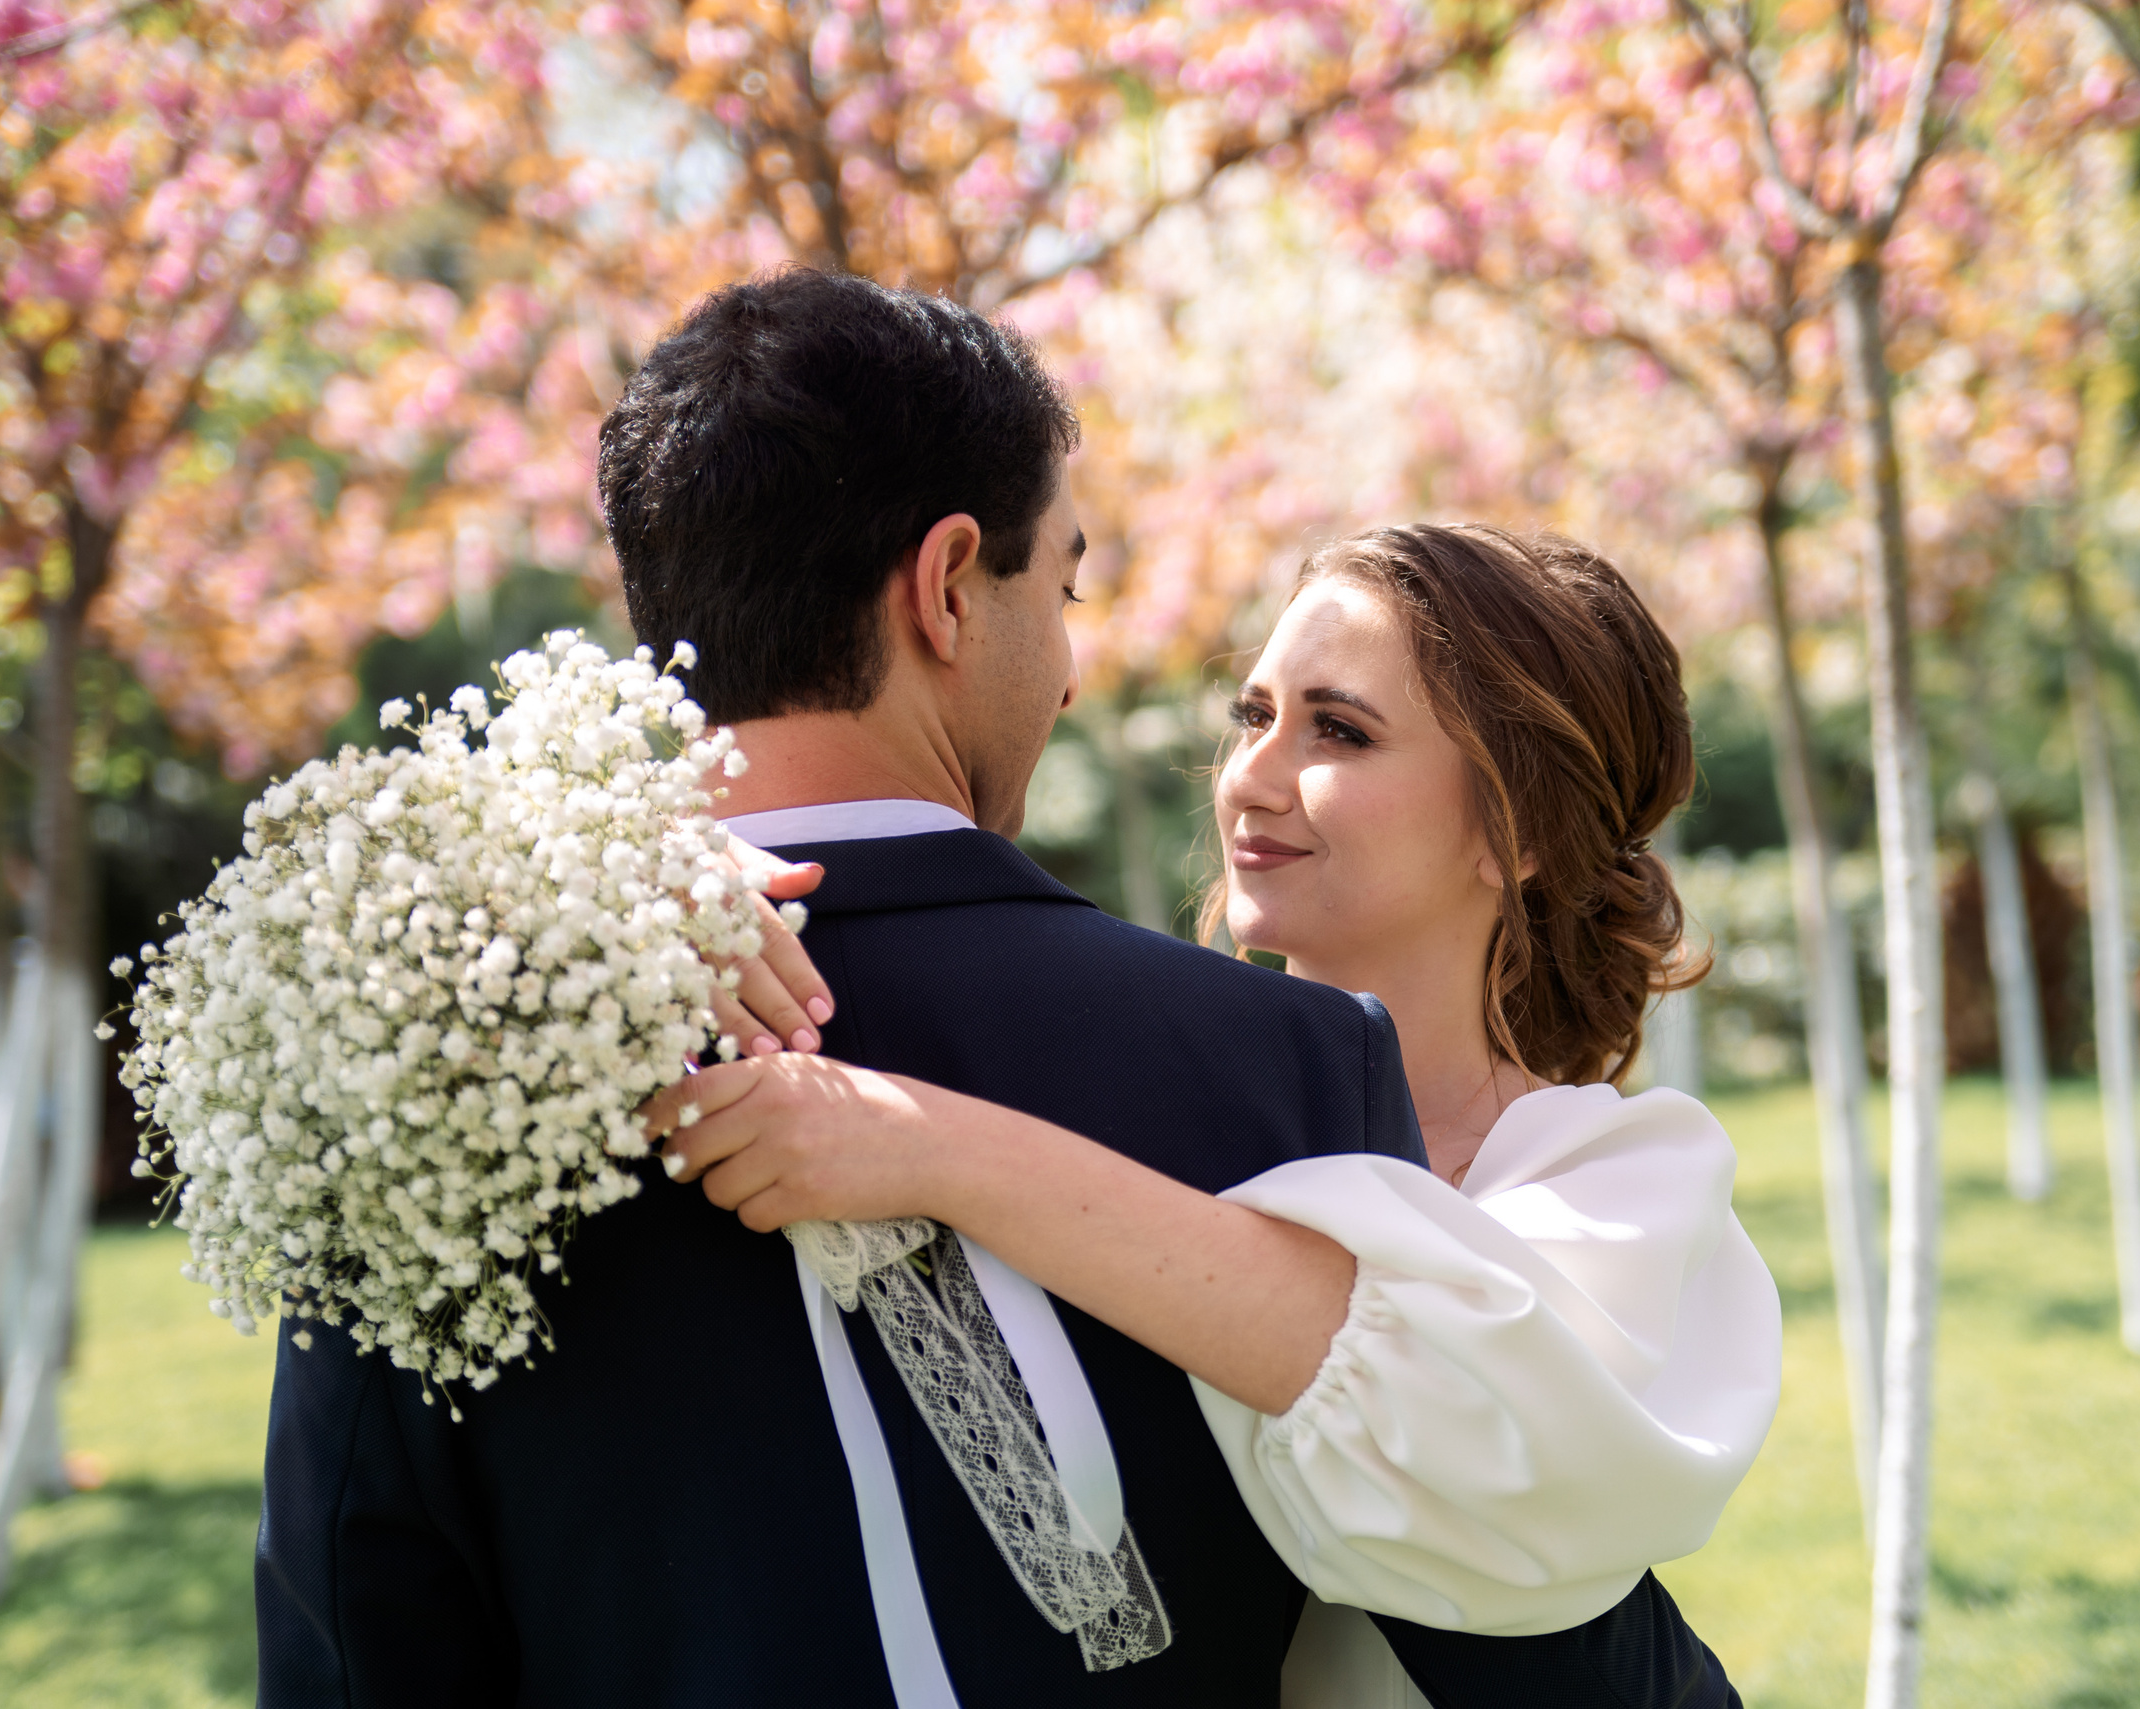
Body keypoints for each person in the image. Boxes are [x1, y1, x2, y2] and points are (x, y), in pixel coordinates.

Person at [253, 266, 1725, 1708]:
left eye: (1336, 726)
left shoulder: (416, 1040)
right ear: (952, 586)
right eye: (1065, 581)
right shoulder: (1272, 1071)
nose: (1080, 672)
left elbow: (360, 1621)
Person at [655, 524, 1782, 1708]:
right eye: (1253, 715)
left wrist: (927, 1146)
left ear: (1528, 833)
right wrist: (667, 883)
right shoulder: (1133, 1086)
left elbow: (1468, 1465)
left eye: (1338, 729)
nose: (1250, 773)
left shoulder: (1613, 1188)